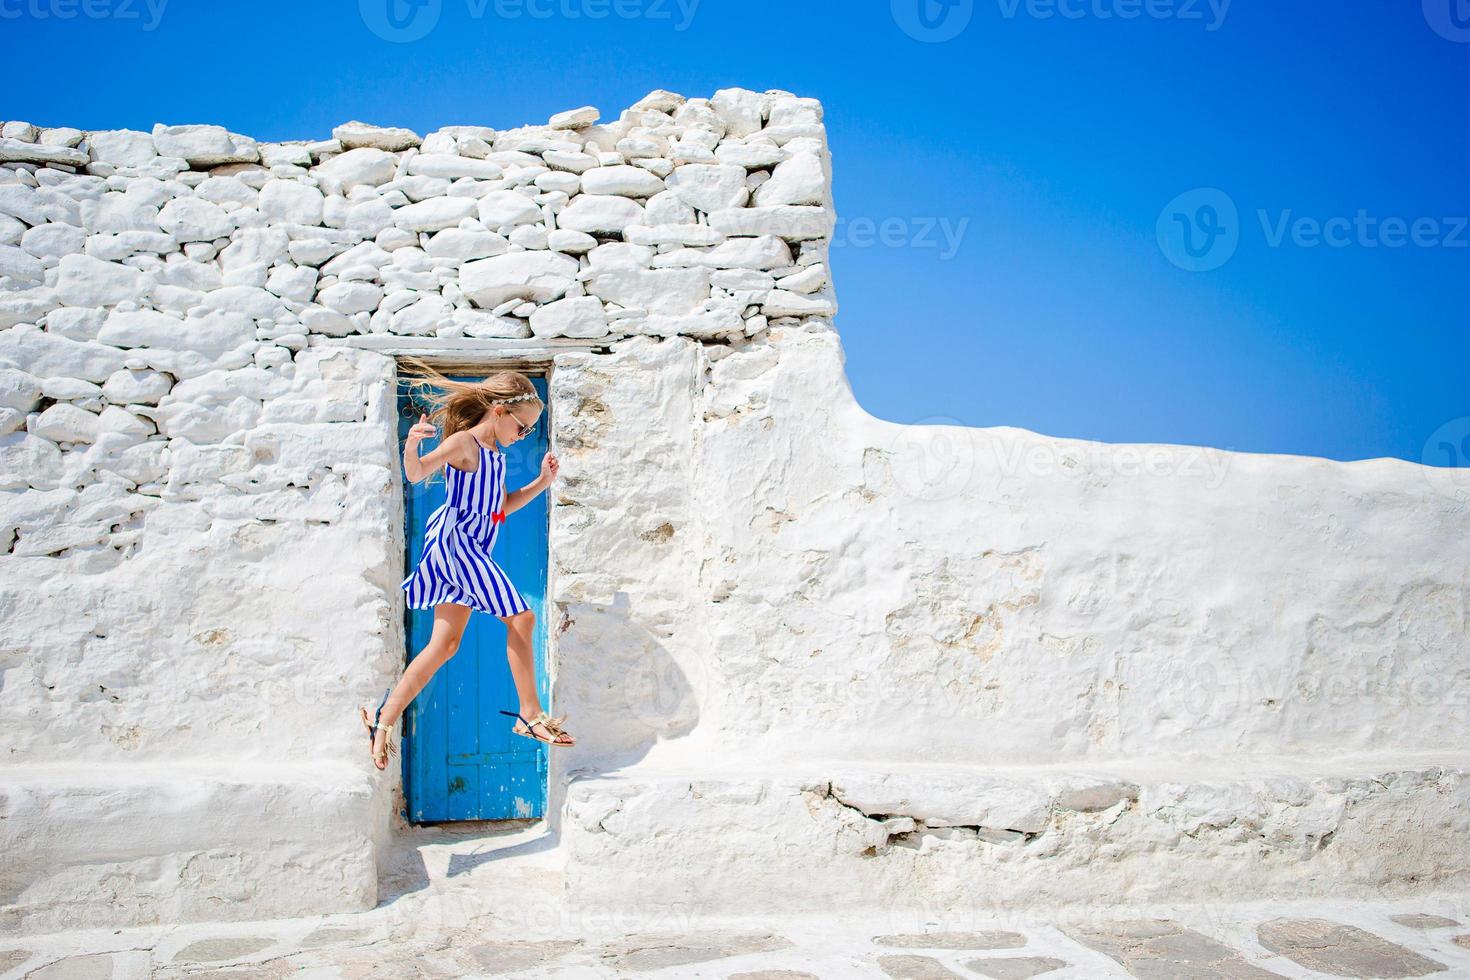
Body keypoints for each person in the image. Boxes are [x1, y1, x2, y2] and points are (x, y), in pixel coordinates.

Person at [360, 359, 573, 771]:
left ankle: (383, 722)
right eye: (521, 426)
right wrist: (411, 444)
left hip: (474, 546)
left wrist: (542, 484)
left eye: (529, 430)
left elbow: (501, 507)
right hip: (457, 545)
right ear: (499, 412)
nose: (523, 435)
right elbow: (418, 472)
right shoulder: (464, 444)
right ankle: (530, 716)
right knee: (522, 619)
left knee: (446, 645)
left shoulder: (495, 455)